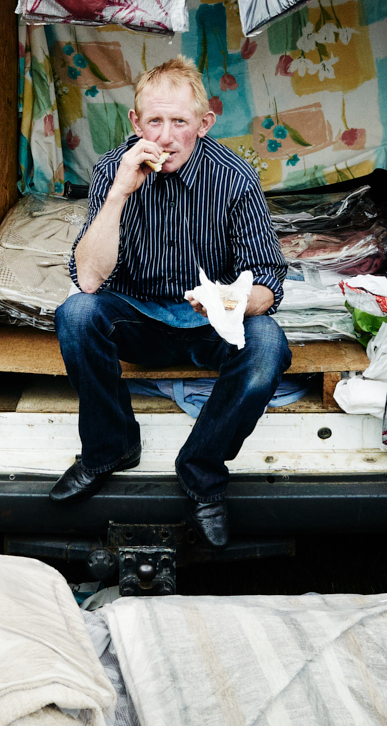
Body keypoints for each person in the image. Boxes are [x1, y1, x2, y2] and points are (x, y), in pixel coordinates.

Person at [53, 56, 290, 548]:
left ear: (204, 124)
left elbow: (269, 279)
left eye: (180, 122)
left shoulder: (235, 178)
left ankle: (202, 471)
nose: (165, 137)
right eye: (154, 121)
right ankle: (110, 449)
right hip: (136, 320)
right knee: (75, 315)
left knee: (269, 344)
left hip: (212, 324)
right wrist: (120, 192)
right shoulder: (112, 170)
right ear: (135, 123)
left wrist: (232, 301)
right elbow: (89, 279)